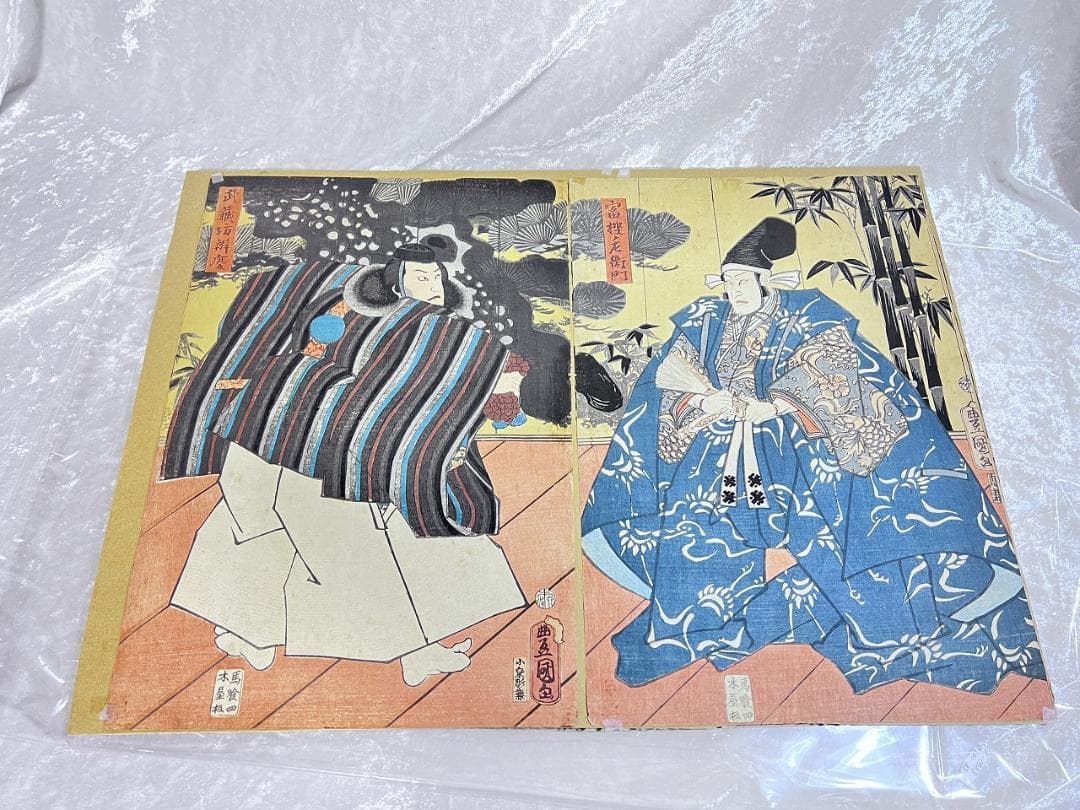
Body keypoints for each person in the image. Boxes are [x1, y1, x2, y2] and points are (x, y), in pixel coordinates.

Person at [581, 217, 1046, 694]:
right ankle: (694, 623)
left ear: (766, 279)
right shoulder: (706, 320)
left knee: (846, 542)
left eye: (742, 280)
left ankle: (887, 632)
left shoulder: (806, 316)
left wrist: (774, 405)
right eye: (728, 281)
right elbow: (669, 382)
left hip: (796, 448)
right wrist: (703, 403)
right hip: (718, 449)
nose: (734, 290)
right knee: (695, 532)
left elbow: (834, 371)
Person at [163, 238, 527, 683]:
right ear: (395, 283)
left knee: (360, 543)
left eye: (436, 277)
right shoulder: (345, 314)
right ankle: (256, 635)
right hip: (300, 443)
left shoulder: (439, 333)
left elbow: (442, 390)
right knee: (287, 536)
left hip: (357, 455)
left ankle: (410, 651)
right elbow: (309, 360)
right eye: (421, 277)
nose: (433, 286)